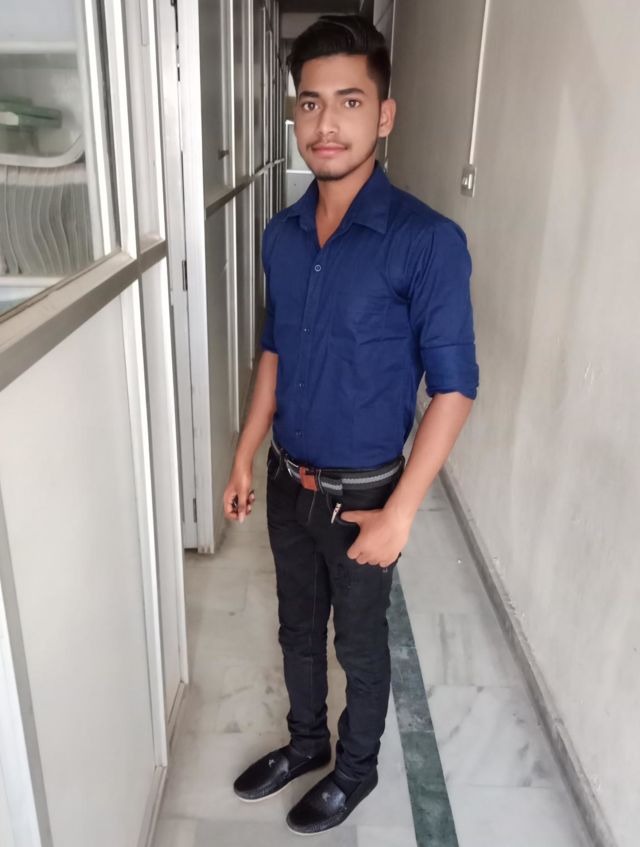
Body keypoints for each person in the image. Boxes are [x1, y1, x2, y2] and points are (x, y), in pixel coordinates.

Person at [223, 13, 479, 836]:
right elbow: (275, 350)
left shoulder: (427, 242)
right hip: (287, 478)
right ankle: (306, 743)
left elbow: (455, 387)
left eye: (349, 101)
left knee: (360, 646)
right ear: (293, 112)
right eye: (310, 102)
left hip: (365, 494)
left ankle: (356, 769)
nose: (326, 124)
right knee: (296, 627)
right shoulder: (283, 234)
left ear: (385, 114)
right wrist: (245, 455)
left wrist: (400, 512)